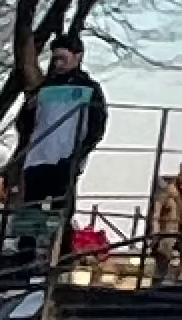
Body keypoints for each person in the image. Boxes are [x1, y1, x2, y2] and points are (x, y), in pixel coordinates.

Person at [8, 39, 109, 256]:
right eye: (55, 58)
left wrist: (80, 153)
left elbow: (97, 126)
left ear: (78, 56)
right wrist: (27, 111)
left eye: (63, 58)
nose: (58, 63)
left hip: (66, 158)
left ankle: (60, 258)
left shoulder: (90, 88)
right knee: (30, 208)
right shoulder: (44, 88)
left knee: (62, 208)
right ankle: (24, 256)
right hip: (37, 156)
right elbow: (22, 124)